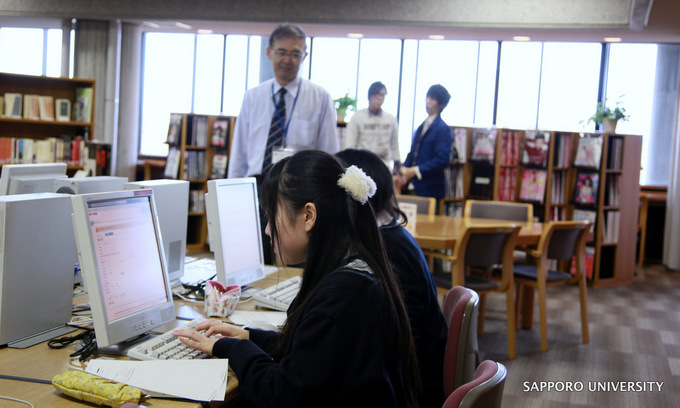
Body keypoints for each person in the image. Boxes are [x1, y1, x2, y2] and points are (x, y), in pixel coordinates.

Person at [173, 150, 420, 407]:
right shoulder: (355, 271)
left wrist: (232, 349)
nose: (268, 229)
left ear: (308, 216)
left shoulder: (341, 294)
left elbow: (283, 393)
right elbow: (315, 355)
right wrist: (249, 337)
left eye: (271, 215)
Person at [336, 148, 447, 408]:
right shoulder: (391, 233)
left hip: (411, 389)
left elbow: (405, 338)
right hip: (416, 376)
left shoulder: (386, 249)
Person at [227, 23, 339, 180]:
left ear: (304, 56)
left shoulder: (320, 98)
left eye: (295, 54)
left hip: (298, 186)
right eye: (281, 52)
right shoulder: (252, 97)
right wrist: (233, 189)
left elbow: (329, 151)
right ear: (269, 53)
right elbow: (239, 151)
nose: (287, 60)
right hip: (256, 182)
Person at [399, 84, 453, 202]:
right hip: (411, 185)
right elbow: (413, 152)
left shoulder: (443, 129)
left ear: (441, 105)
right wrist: (404, 168)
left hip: (430, 188)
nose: (428, 101)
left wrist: (415, 170)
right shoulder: (421, 127)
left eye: (433, 99)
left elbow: (442, 159)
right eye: (428, 97)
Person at [343, 82, 400, 171]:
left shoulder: (390, 119)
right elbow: (350, 146)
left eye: (383, 95)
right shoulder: (357, 118)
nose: (380, 98)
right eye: (377, 94)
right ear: (369, 96)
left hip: (384, 166)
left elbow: (394, 144)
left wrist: (397, 163)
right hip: (363, 166)